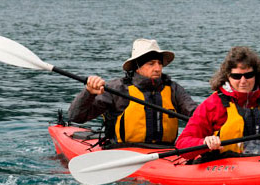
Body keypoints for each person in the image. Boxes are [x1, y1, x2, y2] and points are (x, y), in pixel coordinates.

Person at [68, 38, 197, 147]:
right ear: (137, 67)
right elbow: (76, 117)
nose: (157, 68)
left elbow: (196, 113)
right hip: (123, 151)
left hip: (166, 151)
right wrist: (89, 93)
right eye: (151, 64)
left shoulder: (173, 89)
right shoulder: (117, 89)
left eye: (159, 63)